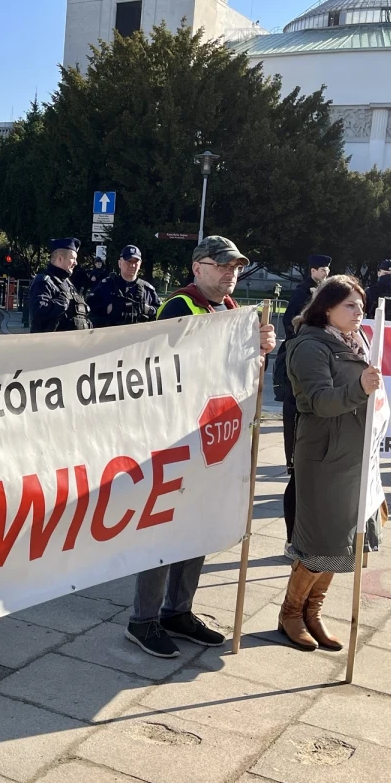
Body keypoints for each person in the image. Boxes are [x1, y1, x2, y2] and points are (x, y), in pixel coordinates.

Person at [124, 236, 277, 658]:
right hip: (173, 437)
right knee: (163, 530)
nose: (230, 273)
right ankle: (144, 619)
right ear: (197, 268)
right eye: (222, 265)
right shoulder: (179, 307)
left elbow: (241, 372)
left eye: (235, 267)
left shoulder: (231, 312)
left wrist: (260, 350)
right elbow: (163, 368)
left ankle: (179, 611)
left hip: (212, 437)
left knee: (196, 528)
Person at [283, 275, 387, 651]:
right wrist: (360, 386)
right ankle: (291, 613)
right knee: (321, 541)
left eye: (361, 305)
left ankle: (314, 610)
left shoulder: (355, 340)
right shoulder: (310, 345)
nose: (360, 312)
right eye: (350, 305)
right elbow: (320, 401)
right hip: (325, 456)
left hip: (355, 456)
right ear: (327, 307)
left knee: (344, 540)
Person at [274, 254, 331, 551]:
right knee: (298, 476)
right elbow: (288, 321)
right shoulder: (304, 339)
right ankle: (292, 540)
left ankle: (310, 539)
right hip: (300, 412)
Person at [87, 245, 161, 327]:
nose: (132, 265)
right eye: (128, 261)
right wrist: (107, 309)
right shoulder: (106, 286)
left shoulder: (148, 290)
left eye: (135, 262)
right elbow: (90, 310)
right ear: (120, 263)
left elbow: (162, 314)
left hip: (139, 337)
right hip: (111, 337)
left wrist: (149, 310)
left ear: (140, 264)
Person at [28, 237, 91, 333]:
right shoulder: (44, 282)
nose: (76, 263)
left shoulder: (68, 284)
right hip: (51, 345)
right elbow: (38, 313)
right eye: (73, 259)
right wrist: (61, 304)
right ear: (60, 258)